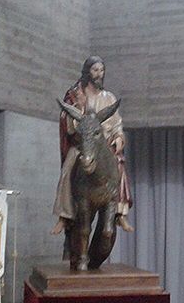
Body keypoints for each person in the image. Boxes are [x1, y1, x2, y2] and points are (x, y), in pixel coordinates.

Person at [52, 56, 134, 237]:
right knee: (68, 169)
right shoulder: (76, 94)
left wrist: (119, 137)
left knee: (119, 165)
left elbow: (116, 124)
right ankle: (64, 215)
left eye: (101, 70)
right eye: (95, 70)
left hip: (103, 146)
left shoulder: (109, 97)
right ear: (87, 71)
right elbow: (70, 125)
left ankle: (120, 212)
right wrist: (80, 108)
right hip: (83, 144)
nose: (99, 74)